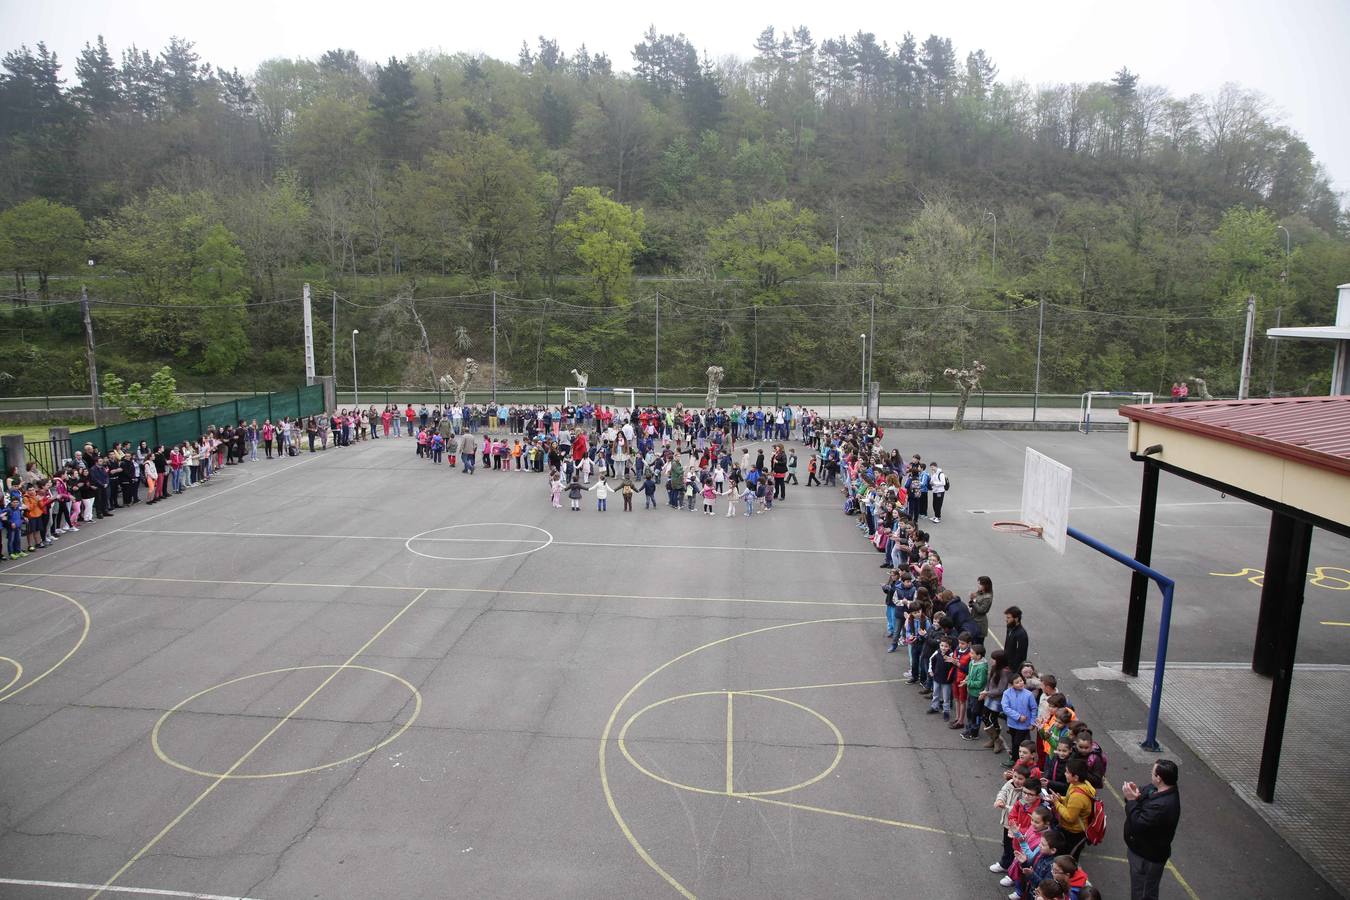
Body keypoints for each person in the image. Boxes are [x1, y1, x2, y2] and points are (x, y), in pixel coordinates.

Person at [1123, 758, 1181, 900]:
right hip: (1142, 851)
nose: (1151, 774)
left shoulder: (1163, 806)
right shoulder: (1158, 789)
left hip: (1146, 857)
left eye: (1152, 773)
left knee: (1142, 892)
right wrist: (1136, 795)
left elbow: (1138, 824)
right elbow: (1144, 792)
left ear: (1159, 778)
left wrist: (1131, 801)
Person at [1004, 605, 1030, 673]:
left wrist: (1014, 670)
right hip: (1006, 664)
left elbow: (1021, 655)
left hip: (1014, 669)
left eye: (1009, 618)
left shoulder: (1021, 634)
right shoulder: (1009, 627)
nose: (1006, 620)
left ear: (1016, 619)